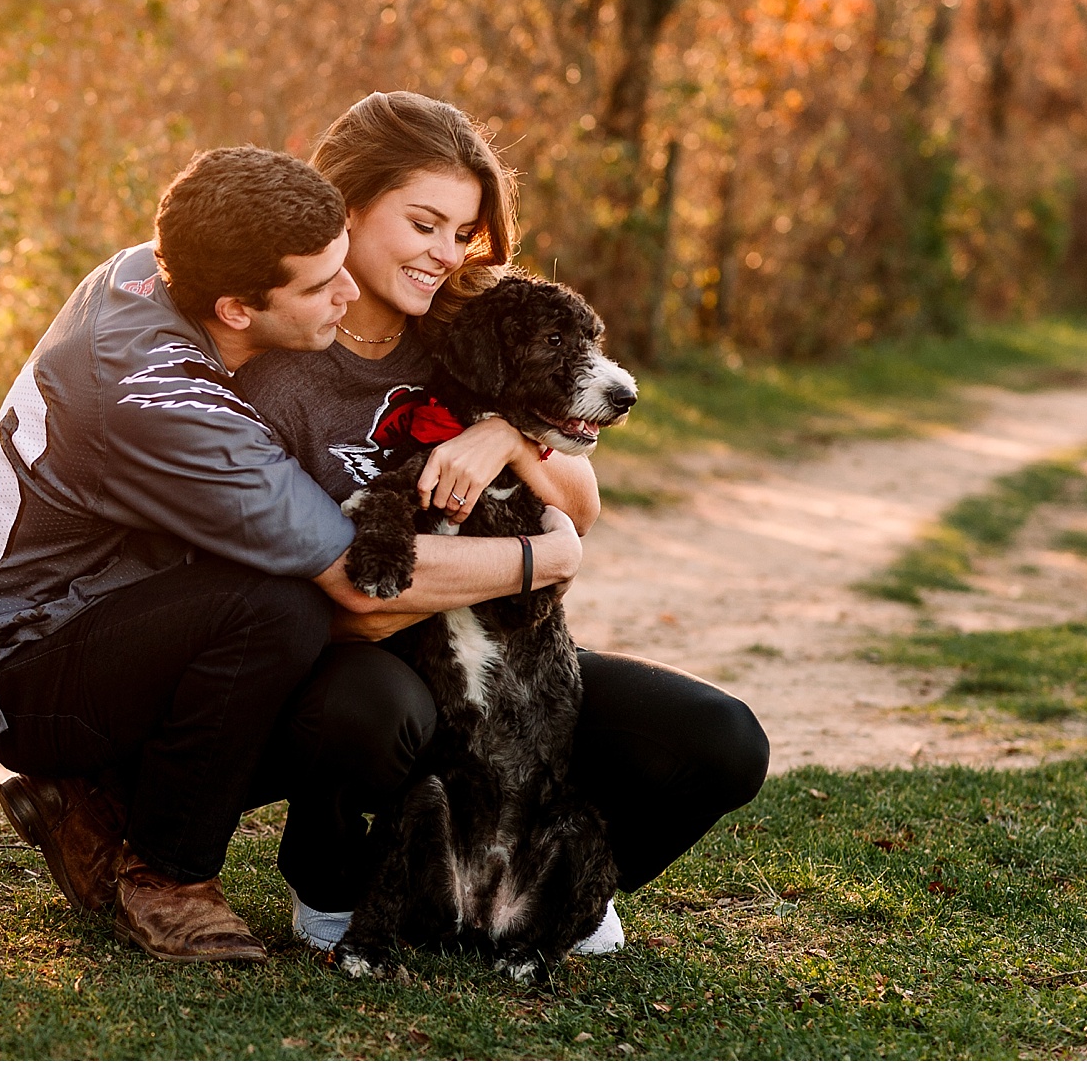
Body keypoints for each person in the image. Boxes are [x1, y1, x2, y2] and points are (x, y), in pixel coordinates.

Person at [0, 145, 584, 963]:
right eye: (319, 287)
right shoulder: (173, 408)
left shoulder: (152, 265)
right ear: (238, 307)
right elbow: (360, 579)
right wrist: (542, 561)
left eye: (342, 265)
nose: (346, 296)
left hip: (110, 614)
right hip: (18, 663)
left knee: (281, 616)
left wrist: (502, 431)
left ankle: (100, 799)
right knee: (280, 607)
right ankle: (168, 877)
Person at [237, 90, 770, 954]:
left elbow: (583, 506)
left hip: (497, 649)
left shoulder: (465, 323)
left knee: (721, 741)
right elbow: (351, 608)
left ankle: (544, 894)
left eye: (461, 233)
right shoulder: (283, 365)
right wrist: (538, 561)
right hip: (362, 669)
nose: (443, 255)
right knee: (372, 707)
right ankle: (339, 882)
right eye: (422, 224)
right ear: (347, 207)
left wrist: (501, 434)